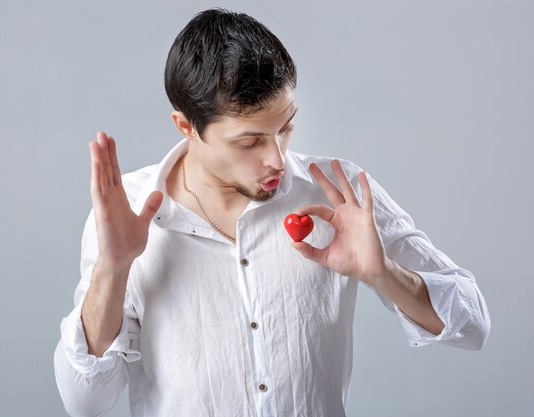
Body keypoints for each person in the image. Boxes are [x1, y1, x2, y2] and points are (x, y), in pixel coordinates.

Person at [54, 8, 490, 417]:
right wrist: (113, 269)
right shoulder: (126, 212)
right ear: (186, 126)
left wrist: (384, 274)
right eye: (250, 142)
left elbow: (473, 325)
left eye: (285, 128)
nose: (278, 159)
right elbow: (85, 401)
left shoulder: (338, 195)